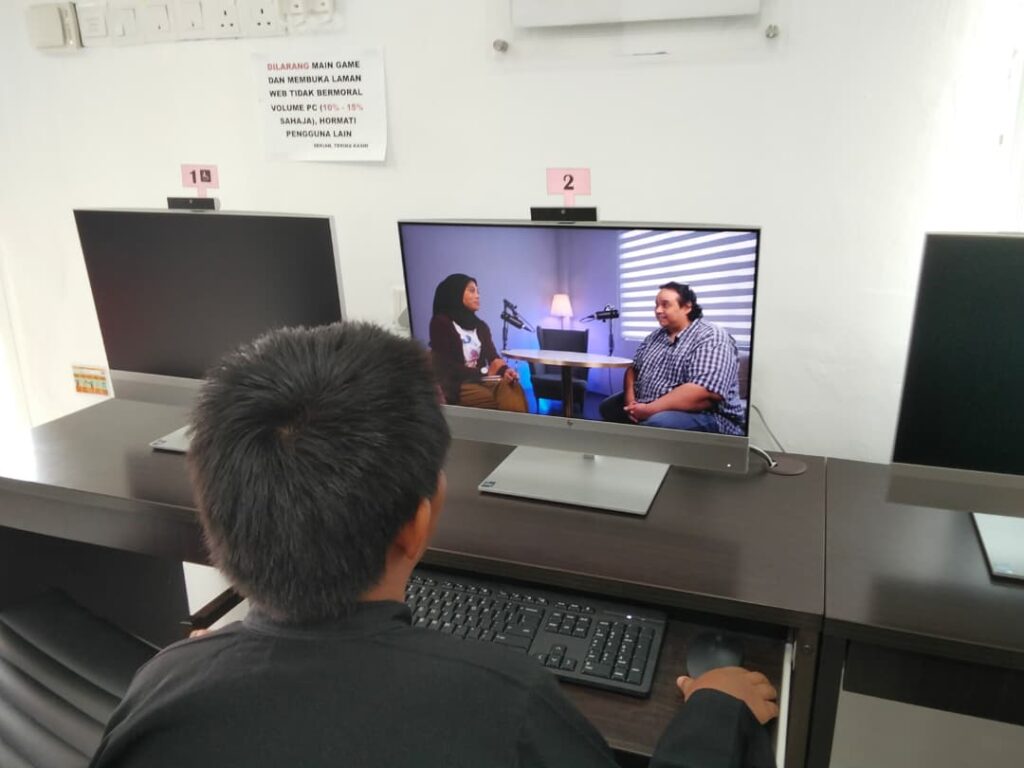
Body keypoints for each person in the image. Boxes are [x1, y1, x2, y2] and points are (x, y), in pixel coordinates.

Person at [90, 323, 777, 768]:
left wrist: (196, 662)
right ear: (417, 525)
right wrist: (715, 710)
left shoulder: (161, 685)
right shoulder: (506, 703)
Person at [600, 282, 746, 435]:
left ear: (687, 307)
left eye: (665, 305)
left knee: (657, 423)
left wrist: (648, 410)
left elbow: (704, 393)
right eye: (656, 305)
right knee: (608, 407)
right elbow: (633, 369)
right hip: (650, 402)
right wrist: (631, 403)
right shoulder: (655, 336)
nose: (658, 310)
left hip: (706, 415)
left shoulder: (712, 337)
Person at [429, 272, 528, 412]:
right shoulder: (441, 323)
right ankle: (514, 425)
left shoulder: (481, 326)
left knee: (512, 386)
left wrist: (506, 371)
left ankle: (514, 425)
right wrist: (484, 371)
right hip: (457, 384)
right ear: (456, 293)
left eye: (478, 291)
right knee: (494, 400)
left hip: (482, 380)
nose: (477, 296)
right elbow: (447, 366)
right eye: (472, 291)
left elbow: (493, 357)